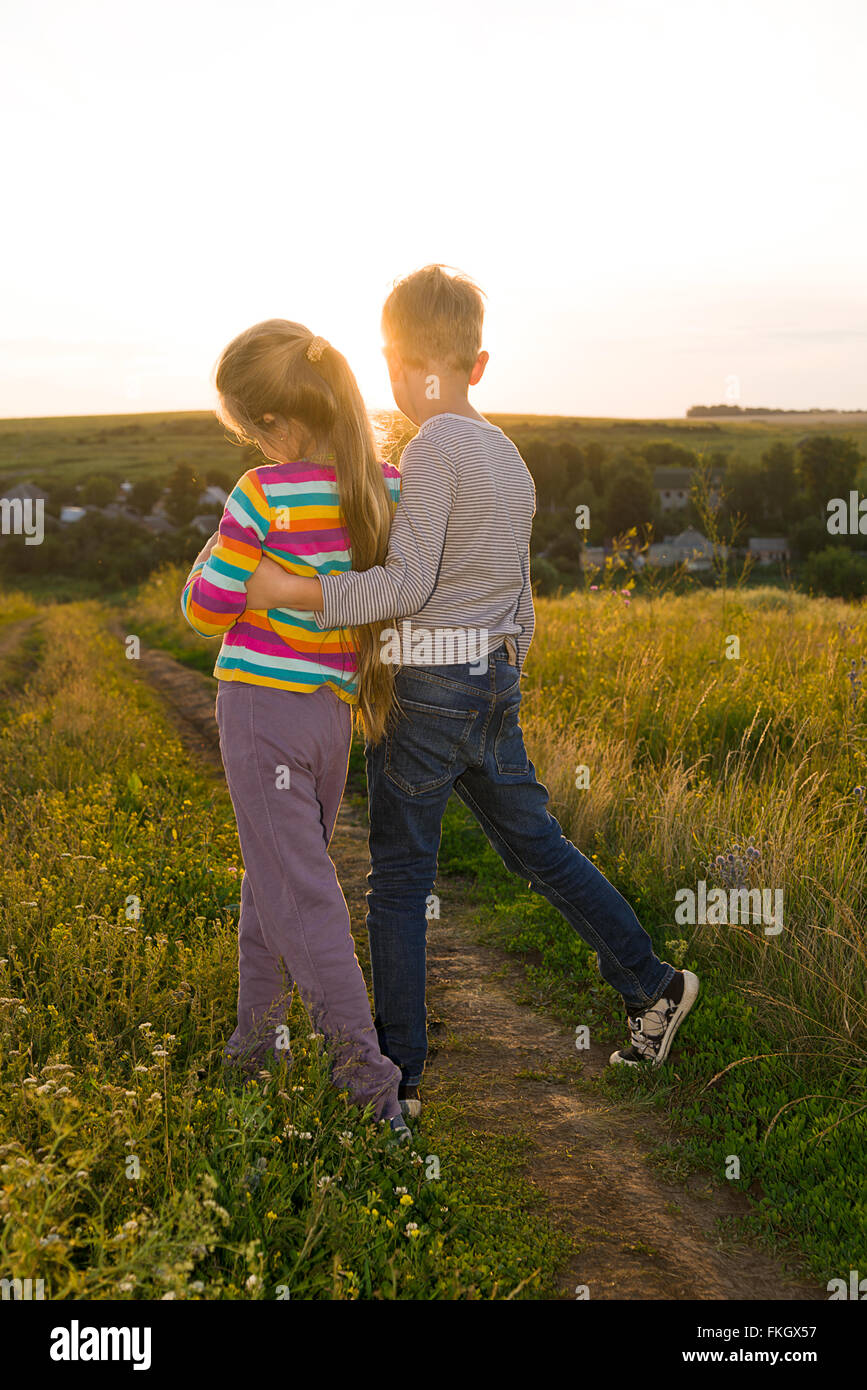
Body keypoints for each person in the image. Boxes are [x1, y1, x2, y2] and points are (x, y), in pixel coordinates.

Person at [244, 269, 700, 1121]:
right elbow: (521, 592)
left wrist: (294, 594)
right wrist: (504, 672)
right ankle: (651, 983)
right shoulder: (507, 456)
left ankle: (403, 1078)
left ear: (392, 360)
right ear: (476, 363)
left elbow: (409, 583)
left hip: (427, 688)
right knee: (540, 848)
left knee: (399, 881)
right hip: (490, 681)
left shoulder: (434, 449)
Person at [181, 318, 408, 1136]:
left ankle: (366, 1084)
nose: (252, 443)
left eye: (249, 429)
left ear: (275, 424)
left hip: (261, 709)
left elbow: (207, 611)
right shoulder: (381, 484)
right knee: (271, 875)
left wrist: (214, 568)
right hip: (331, 715)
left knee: (299, 889)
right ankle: (256, 1042)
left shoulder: (262, 491)